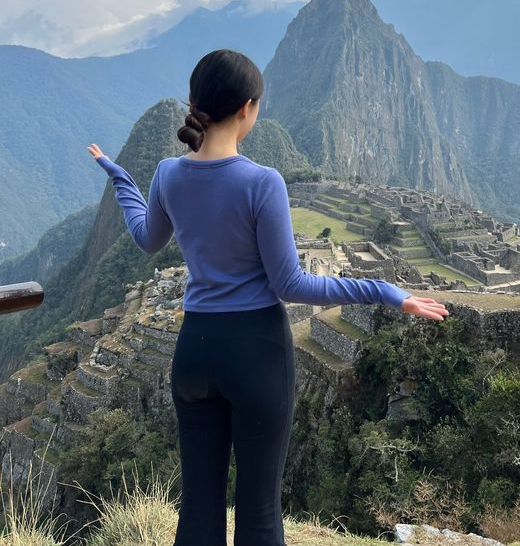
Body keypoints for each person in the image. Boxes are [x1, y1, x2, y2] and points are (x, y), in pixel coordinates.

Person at [87, 47, 449, 546]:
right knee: (258, 514)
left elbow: (147, 237)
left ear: (196, 103)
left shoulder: (167, 175)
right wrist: (385, 291)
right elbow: (292, 285)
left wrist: (121, 178)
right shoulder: (262, 183)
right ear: (248, 109)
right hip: (256, 353)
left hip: (194, 353)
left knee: (198, 509)